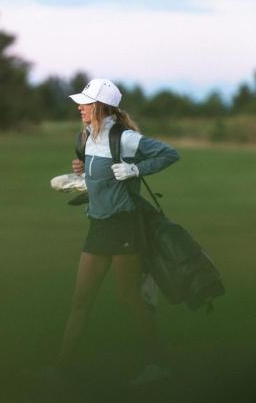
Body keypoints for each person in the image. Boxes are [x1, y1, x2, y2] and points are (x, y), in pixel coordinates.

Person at [57, 78, 180, 384]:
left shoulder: (123, 138)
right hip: (98, 226)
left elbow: (169, 153)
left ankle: (158, 363)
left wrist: (136, 169)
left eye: (85, 102)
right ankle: (60, 370)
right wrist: (82, 170)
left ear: (99, 106)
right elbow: (98, 173)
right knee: (81, 301)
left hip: (124, 226)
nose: (79, 107)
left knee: (129, 298)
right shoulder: (87, 135)